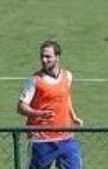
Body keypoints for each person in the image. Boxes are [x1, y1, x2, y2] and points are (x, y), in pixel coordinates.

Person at [17, 40, 83, 169]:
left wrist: (73, 116)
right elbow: (20, 107)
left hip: (66, 137)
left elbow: (66, 97)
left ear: (57, 57)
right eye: (42, 56)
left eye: (48, 56)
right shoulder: (35, 81)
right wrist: (39, 113)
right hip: (42, 140)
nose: (44, 59)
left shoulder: (68, 76)